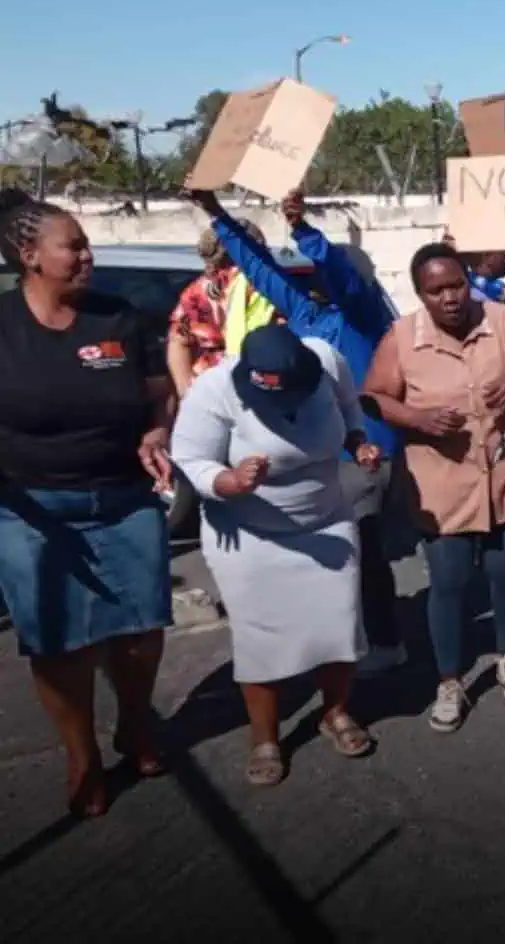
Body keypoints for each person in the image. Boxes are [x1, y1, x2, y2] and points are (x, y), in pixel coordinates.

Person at [0, 191, 175, 816]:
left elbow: (160, 392)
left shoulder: (118, 317)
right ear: (29, 255)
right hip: (31, 509)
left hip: (125, 498)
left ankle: (135, 723)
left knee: (141, 632)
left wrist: (157, 431)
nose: (86, 256)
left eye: (86, 244)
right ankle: (82, 755)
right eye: (72, 246)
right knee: (60, 644)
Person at [183, 190, 405, 676]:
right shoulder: (306, 313)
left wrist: (303, 229)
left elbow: (345, 279)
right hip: (312, 453)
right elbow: (259, 268)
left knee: (361, 550)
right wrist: (216, 214)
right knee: (316, 556)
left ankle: (383, 640)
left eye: (323, 271)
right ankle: (324, 643)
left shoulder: (365, 315)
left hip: (360, 451)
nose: (316, 278)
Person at [172, 324, 379, 784]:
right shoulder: (214, 390)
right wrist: (229, 481)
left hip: (326, 522)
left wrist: (357, 441)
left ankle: (335, 712)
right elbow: (190, 458)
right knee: (260, 637)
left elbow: (349, 407)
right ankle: (265, 736)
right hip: (251, 537)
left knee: (339, 623)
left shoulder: (326, 360)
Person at [362, 243, 505, 730]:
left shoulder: (502, 320)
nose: (450, 298)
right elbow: (373, 397)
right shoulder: (402, 338)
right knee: (450, 580)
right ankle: (449, 679)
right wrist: (415, 418)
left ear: (469, 281)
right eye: (436, 291)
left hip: (503, 474)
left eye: (456, 285)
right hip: (440, 482)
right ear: (420, 294)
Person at [165, 223, 280, 396]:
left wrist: (187, 392)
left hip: (210, 387)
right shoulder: (273, 286)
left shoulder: (198, 290)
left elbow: (178, 339)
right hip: (261, 386)